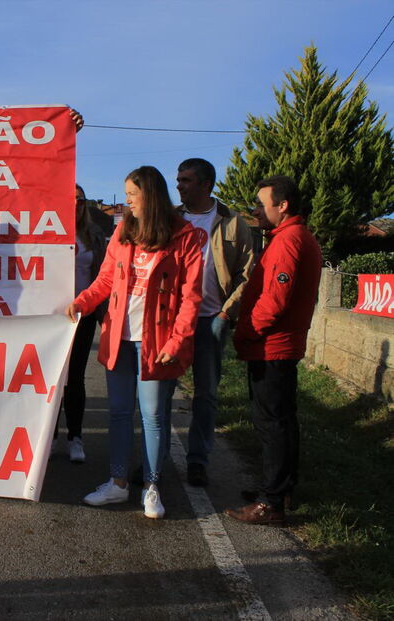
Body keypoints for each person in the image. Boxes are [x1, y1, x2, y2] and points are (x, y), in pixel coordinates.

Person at [65, 166, 204, 519]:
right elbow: (105, 280)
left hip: (158, 341)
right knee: (119, 413)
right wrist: (82, 303)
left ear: (150, 195)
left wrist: (178, 339)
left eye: (131, 194)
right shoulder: (123, 231)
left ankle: (151, 487)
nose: (127, 201)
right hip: (120, 337)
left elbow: (191, 298)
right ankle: (118, 483)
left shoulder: (185, 236)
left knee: (153, 416)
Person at [226, 175, 321, 527]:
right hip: (276, 346)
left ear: (282, 206)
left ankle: (272, 502)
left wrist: (245, 333)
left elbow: (274, 302)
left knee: (272, 424)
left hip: (272, 347)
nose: (255, 210)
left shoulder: (289, 241)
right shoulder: (290, 237)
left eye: (260, 204)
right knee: (281, 422)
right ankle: (279, 489)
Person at [175, 158, 255, 486]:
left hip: (211, 319)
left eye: (186, 180)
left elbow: (247, 273)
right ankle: (155, 458)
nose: (179, 185)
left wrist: (226, 313)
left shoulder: (234, 223)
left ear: (206, 184)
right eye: (179, 179)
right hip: (172, 320)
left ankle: (198, 460)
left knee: (205, 394)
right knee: (161, 391)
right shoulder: (170, 219)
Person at [53, 184, 106, 463]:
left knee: (75, 378)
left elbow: (103, 277)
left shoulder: (93, 234)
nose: (75, 205)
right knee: (51, 378)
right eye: (70, 199)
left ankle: (75, 437)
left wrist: (103, 315)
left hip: (82, 316)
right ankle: (50, 437)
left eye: (81, 201)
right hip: (51, 318)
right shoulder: (46, 231)